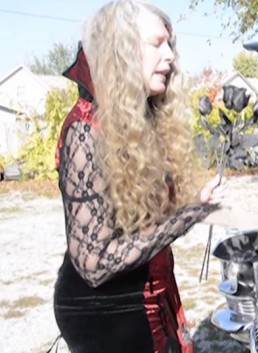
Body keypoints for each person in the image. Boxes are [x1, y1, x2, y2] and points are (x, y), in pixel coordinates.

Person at [52, 1, 224, 352]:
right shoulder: (86, 130)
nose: (170, 56)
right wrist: (190, 214)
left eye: (170, 45)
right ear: (123, 50)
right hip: (106, 314)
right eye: (157, 43)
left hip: (147, 293)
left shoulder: (139, 121)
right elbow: (94, 264)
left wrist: (196, 203)